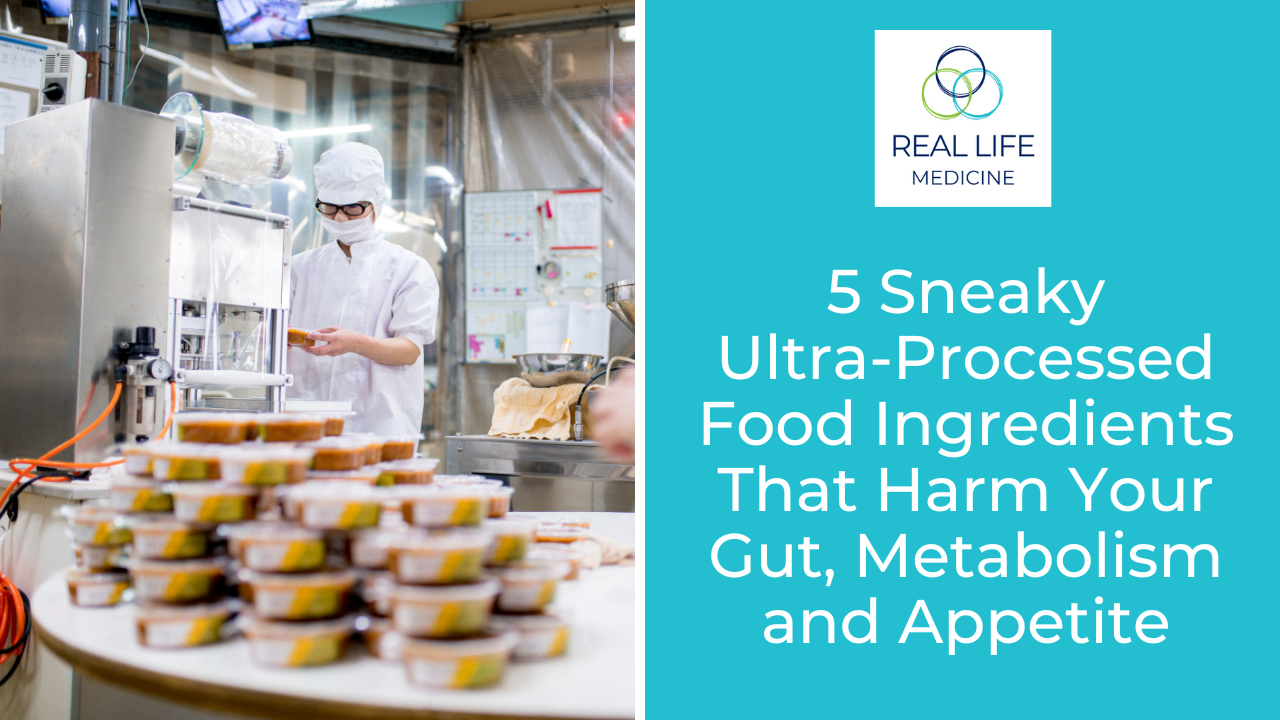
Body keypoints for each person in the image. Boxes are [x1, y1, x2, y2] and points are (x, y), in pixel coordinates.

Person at [288, 142, 439, 435]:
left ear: (376, 202)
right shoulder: (299, 268)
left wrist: (356, 343)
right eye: (329, 207)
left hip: (378, 427)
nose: (340, 218)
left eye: (353, 208)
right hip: (305, 425)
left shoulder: (409, 269)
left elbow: (409, 350)